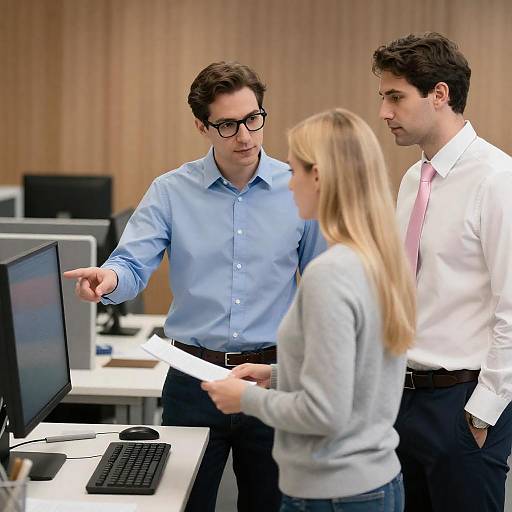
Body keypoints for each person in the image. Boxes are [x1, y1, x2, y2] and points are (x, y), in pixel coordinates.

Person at [63, 61, 325, 512]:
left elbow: (324, 283)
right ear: (202, 126)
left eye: (253, 119)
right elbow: (130, 263)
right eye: (227, 125)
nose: (245, 136)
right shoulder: (171, 190)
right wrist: (109, 279)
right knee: (184, 503)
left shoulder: (298, 188)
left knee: (274, 505)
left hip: (273, 380)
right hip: (192, 379)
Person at [202, 108, 416, 512]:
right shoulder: (378, 257)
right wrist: (278, 376)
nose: (289, 183)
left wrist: (244, 398)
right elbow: (360, 372)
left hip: (332, 494)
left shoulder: (330, 274)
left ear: (318, 176)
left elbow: (324, 413)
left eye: (294, 169)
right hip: (377, 482)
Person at [373, 32, 512, 512]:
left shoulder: (496, 179)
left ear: (439, 94)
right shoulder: (414, 179)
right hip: (404, 398)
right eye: (383, 98)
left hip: (464, 404)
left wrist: (483, 412)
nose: (384, 112)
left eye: (395, 97)